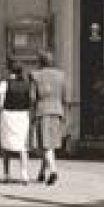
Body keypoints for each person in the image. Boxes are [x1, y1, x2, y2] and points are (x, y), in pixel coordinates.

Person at [30, 50, 68, 186]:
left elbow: (32, 98)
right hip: (58, 111)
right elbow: (64, 97)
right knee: (49, 143)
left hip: (43, 111)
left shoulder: (35, 76)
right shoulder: (61, 75)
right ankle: (42, 173)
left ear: (40, 62)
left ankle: (53, 171)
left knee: (45, 144)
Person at [0, 59, 35, 184]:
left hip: (8, 115)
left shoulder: (4, 84)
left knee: (6, 146)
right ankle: (24, 174)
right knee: (22, 146)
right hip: (23, 116)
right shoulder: (27, 84)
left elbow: (1, 103)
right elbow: (31, 101)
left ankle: (6, 174)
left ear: (9, 70)